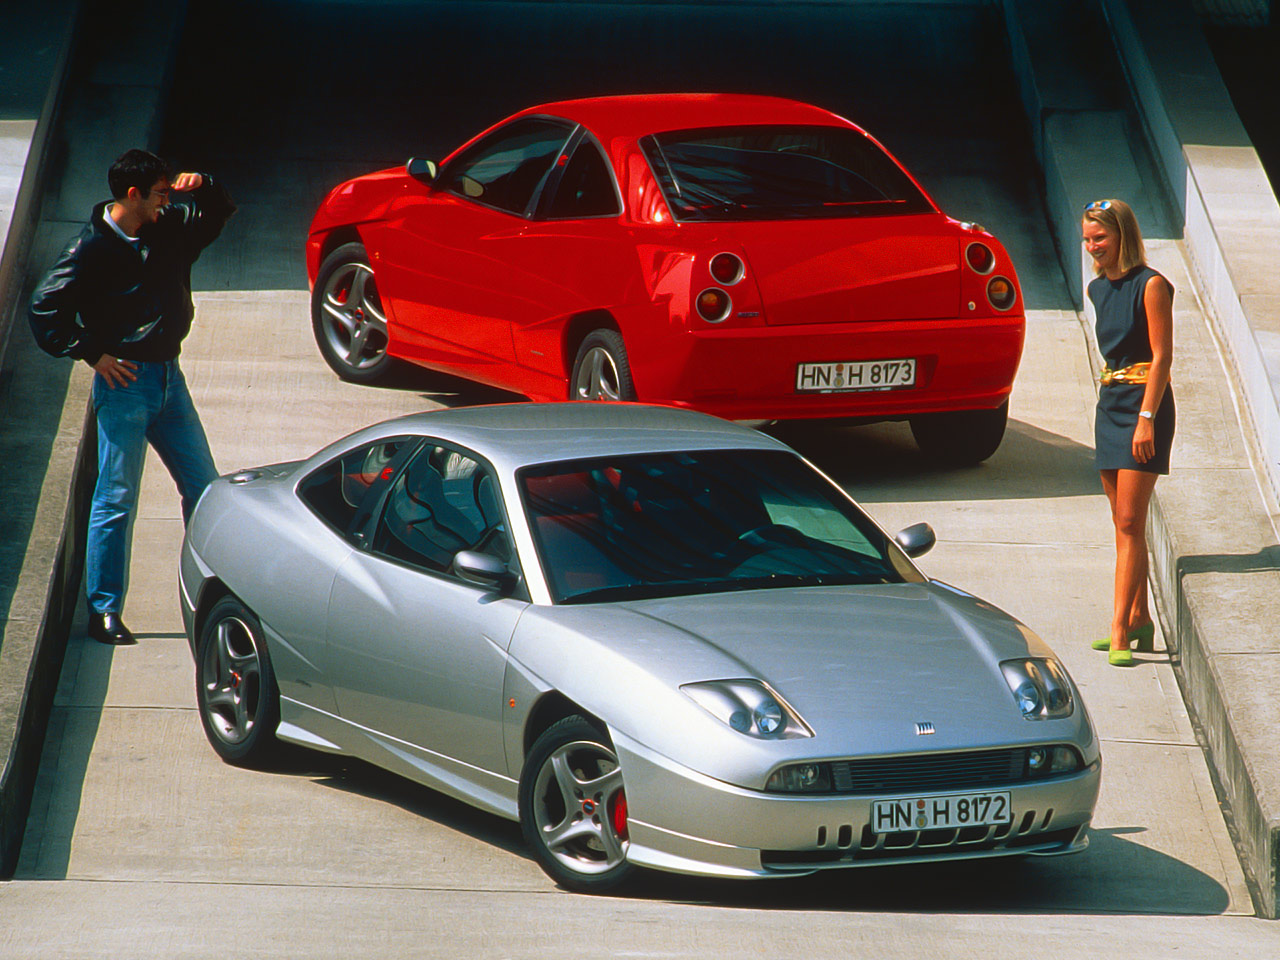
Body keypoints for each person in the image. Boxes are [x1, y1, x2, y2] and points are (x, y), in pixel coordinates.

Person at [29, 149, 235, 645]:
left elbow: (219, 213)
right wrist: (91, 352)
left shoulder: (167, 228)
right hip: (124, 387)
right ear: (133, 194)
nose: (168, 201)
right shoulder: (90, 248)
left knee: (206, 490)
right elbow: (43, 309)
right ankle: (103, 611)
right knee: (116, 498)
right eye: (160, 193)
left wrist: (203, 182)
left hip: (170, 380)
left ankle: (220, 594)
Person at [1081, 199, 1174, 667]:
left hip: (1144, 409)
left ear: (1122, 236)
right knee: (1121, 523)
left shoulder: (1152, 285)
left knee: (1131, 521)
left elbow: (1162, 357)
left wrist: (1147, 419)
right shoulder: (1098, 289)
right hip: (1110, 405)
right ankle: (1137, 616)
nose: (1093, 247)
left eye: (1100, 237)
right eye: (1088, 239)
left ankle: (1118, 629)